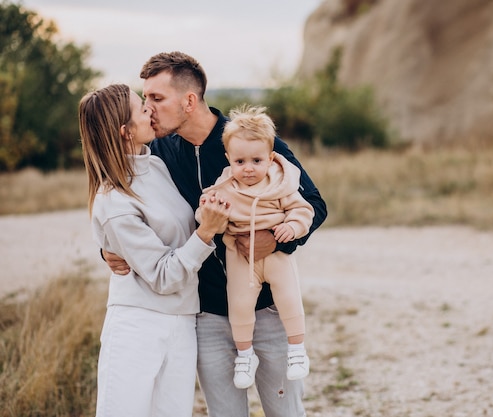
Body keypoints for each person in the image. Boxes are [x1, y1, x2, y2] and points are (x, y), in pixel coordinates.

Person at [103, 52, 327, 417]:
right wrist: (109, 250)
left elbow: (314, 203)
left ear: (189, 101)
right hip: (207, 316)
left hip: (268, 309)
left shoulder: (249, 141)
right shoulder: (155, 155)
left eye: (156, 99)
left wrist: (277, 238)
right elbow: (127, 214)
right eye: (145, 100)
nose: (149, 109)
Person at [79, 84, 231, 417]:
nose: (149, 109)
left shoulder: (155, 164)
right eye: (141, 108)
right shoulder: (114, 201)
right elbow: (163, 276)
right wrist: (206, 232)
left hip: (183, 320)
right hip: (139, 325)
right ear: (124, 132)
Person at [196, 105, 314, 389]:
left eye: (256, 161)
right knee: (239, 303)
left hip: (276, 251)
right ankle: (245, 355)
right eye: (240, 162)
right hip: (239, 256)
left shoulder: (280, 183)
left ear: (271, 158)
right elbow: (206, 215)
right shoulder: (224, 187)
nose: (248, 168)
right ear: (229, 160)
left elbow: (304, 209)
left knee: (288, 296)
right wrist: (209, 212)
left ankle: (297, 349)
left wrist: (292, 228)